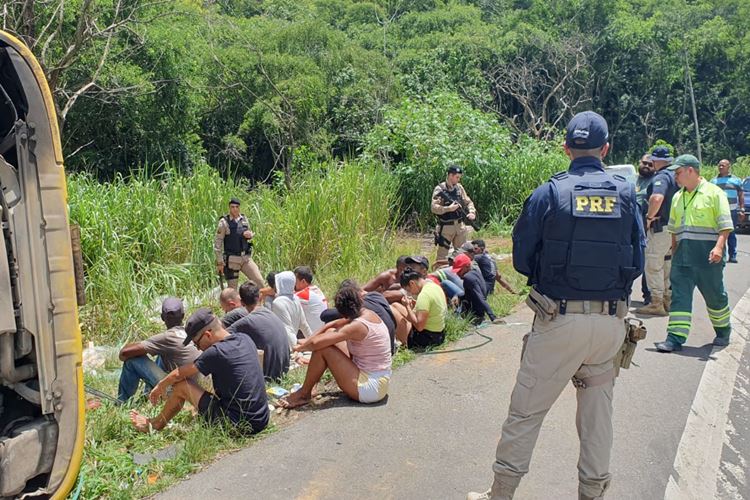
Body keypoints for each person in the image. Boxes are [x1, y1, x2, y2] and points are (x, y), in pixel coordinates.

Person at [468, 111, 644, 500]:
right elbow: (639, 260)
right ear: (606, 149)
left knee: (525, 414)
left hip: (559, 319)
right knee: (598, 419)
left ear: (565, 148)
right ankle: (592, 495)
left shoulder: (550, 193)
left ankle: (500, 494)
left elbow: (522, 259)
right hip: (611, 325)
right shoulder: (627, 193)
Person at [129, 308, 270, 434]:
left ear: (208, 334)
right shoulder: (244, 338)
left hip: (238, 425)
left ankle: (154, 425)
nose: (197, 348)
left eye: (196, 343)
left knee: (182, 386)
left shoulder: (216, 352)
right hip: (262, 419)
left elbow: (179, 374)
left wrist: (160, 386)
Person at [655, 155, 733, 352]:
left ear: (691, 170)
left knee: (715, 297)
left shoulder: (714, 193)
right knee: (680, 297)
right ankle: (675, 338)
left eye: (678, 172)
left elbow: (725, 226)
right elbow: (674, 229)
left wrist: (719, 247)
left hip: (708, 257)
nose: (676, 177)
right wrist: (673, 252)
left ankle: (723, 330)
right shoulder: (677, 197)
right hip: (682, 258)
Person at [278, 284, 392, 409]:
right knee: (328, 336)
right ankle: (312, 387)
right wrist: (307, 342)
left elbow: (316, 344)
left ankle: (304, 394)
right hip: (379, 382)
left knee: (324, 348)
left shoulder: (357, 326)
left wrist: (300, 348)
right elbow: (331, 325)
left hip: (371, 388)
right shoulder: (366, 313)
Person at [117, 297, 199, 403]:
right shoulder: (189, 332)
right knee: (162, 354)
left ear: (162, 317)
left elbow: (124, 353)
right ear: (183, 316)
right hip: (196, 392)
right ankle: (148, 394)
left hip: (178, 393)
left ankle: (122, 403)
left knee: (132, 361)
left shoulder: (167, 337)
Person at [636, 146, 678, 316]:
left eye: (653, 159)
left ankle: (656, 303)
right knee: (666, 264)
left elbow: (656, 197)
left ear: (658, 160)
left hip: (660, 228)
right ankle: (667, 300)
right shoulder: (674, 177)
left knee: (653, 264)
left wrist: (648, 217)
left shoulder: (661, 177)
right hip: (672, 228)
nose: (651, 162)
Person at [230, 282, 291, 380]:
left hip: (270, 377)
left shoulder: (247, 321)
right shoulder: (270, 313)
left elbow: (221, 337)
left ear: (242, 302)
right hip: (284, 371)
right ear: (259, 297)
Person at [319, 280, 398, 354]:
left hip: (380, 352)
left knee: (331, 330)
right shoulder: (376, 295)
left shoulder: (357, 308)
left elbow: (325, 315)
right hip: (390, 346)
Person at [214, 197, 264, 289]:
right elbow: (218, 244)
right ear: (229, 208)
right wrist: (220, 262)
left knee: (260, 282)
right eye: (232, 207)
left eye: (237, 207)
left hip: (245, 258)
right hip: (232, 260)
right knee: (232, 290)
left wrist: (249, 235)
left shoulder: (244, 219)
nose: (235, 209)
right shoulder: (224, 222)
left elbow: (248, 232)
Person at [391, 268, 447, 348]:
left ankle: (405, 344)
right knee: (395, 305)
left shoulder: (424, 296)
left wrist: (407, 306)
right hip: (439, 333)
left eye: (408, 290)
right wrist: (414, 305)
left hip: (427, 339)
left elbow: (419, 327)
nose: (410, 293)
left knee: (391, 309)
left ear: (412, 283)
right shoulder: (434, 286)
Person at [432, 165, 477, 261]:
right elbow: (434, 208)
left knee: (462, 254)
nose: (458, 180)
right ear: (450, 176)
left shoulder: (459, 188)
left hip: (460, 226)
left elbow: (468, 202)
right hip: (446, 227)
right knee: (442, 257)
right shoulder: (440, 189)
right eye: (457, 177)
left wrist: (472, 212)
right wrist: (448, 208)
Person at [710, 159, 745, 263]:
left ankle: (732, 255)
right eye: (719, 165)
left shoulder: (736, 180)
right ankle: (721, 255)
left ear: (728, 167)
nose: (721, 167)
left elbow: (741, 195)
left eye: (723, 165)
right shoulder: (713, 181)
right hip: (717, 211)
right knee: (718, 233)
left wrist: (741, 209)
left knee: (731, 232)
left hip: (732, 210)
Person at [452, 254, 499, 324]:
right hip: (478, 311)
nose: (458, 274)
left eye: (459, 271)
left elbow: (480, 298)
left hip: (474, 315)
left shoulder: (468, 278)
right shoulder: (475, 272)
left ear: (467, 266)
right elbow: (472, 294)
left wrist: (492, 317)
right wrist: (458, 296)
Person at [271, 270, 312, 347]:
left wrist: (295, 348)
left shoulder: (278, 302)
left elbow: (287, 329)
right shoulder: (295, 298)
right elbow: (303, 324)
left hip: (285, 345)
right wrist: (312, 340)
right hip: (292, 341)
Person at [635, 154, 655, 304]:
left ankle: (648, 294)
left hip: (647, 221)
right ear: (639, 163)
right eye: (645, 163)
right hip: (629, 221)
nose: (647, 166)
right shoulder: (631, 179)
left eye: (650, 164)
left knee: (647, 258)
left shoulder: (655, 182)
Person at [293, 265, 328, 333]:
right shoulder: (315, 289)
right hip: (321, 330)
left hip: (313, 334)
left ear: (303, 281)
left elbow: (282, 298)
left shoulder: (305, 294)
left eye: (295, 281)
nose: (293, 284)